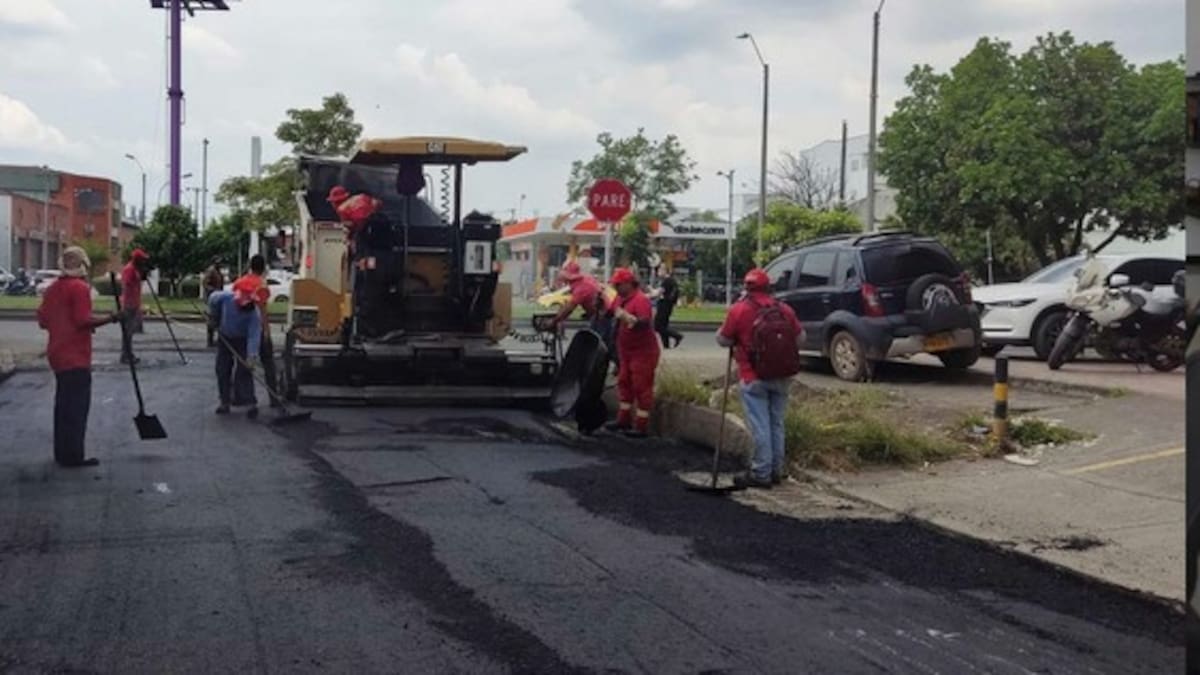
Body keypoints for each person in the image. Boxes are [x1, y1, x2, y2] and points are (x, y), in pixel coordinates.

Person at [716, 268, 804, 488]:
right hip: (782, 374)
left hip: (753, 376)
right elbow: (800, 338)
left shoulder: (739, 310)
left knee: (760, 426)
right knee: (777, 423)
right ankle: (776, 471)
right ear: (769, 287)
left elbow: (723, 340)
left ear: (746, 287)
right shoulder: (784, 309)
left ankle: (761, 473)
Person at [36, 247, 120, 467]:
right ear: (83, 265)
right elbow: (83, 320)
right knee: (76, 407)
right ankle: (74, 455)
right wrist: (111, 318)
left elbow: (43, 321)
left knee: (63, 406)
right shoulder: (79, 288)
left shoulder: (52, 289)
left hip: (57, 353)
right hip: (75, 355)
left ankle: (62, 453)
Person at [608, 267, 661, 438]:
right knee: (624, 381)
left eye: (618, 285)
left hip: (643, 351)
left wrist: (629, 319)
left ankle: (641, 426)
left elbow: (645, 322)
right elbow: (610, 312)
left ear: (629, 284)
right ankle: (623, 419)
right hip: (625, 350)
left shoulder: (640, 300)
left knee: (641, 386)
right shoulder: (619, 298)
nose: (616, 288)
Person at [208, 280, 262, 419]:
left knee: (245, 370)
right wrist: (214, 317)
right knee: (222, 369)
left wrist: (251, 357)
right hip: (225, 336)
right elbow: (212, 299)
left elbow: (254, 336)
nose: (246, 307)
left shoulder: (254, 314)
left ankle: (250, 403)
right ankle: (224, 402)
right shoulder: (224, 298)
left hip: (243, 340)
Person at [234, 254, 281, 408]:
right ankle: (274, 398)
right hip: (257, 329)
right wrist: (266, 332)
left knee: (243, 362)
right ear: (264, 268)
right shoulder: (262, 285)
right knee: (268, 364)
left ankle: (241, 396)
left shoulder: (239, 282)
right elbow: (262, 310)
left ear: (250, 266)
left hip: (241, 329)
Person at [549, 260, 616, 364]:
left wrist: (554, 321)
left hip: (603, 317)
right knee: (597, 343)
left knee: (599, 345)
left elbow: (569, 309)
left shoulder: (581, 288)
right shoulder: (585, 280)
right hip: (599, 314)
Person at [119, 248, 152, 364]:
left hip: (134, 303)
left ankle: (129, 353)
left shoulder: (135, 269)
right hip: (129, 304)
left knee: (131, 331)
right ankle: (125, 355)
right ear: (137, 259)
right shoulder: (130, 269)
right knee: (127, 331)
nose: (144, 262)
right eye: (142, 259)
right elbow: (127, 285)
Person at [654, 270, 684, 349]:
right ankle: (666, 345)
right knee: (663, 326)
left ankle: (677, 336)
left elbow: (658, 293)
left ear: (665, 271)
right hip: (668, 305)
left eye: (660, 270)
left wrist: (647, 295)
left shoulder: (666, 281)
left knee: (657, 326)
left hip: (664, 305)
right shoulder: (671, 281)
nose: (658, 272)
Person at [202, 256, 225, 348]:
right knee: (211, 318)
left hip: (218, 297)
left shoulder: (219, 272)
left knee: (218, 318)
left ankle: (218, 339)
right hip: (211, 298)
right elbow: (205, 284)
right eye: (217, 262)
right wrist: (214, 291)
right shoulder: (210, 271)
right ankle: (210, 340)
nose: (219, 264)